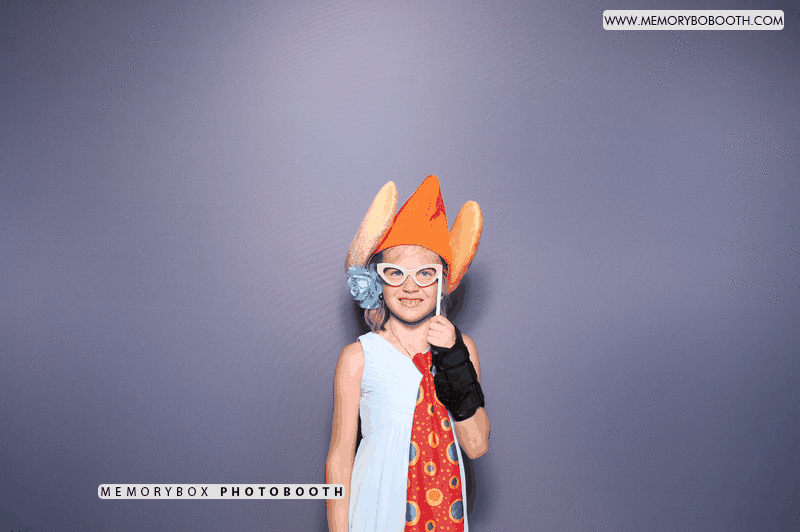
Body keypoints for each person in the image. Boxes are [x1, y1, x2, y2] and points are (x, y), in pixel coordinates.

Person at [326, 175, 490, 532]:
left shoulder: (462, 350)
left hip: (445, 509)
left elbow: (476, 446)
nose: (411, 286)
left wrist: (453, 360)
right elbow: (339, 459)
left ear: (443, 281)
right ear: (378, 280)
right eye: (395, 273)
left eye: (425, 273)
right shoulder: (358, 357)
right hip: (375, 509)